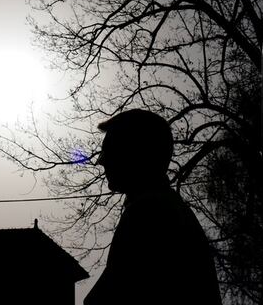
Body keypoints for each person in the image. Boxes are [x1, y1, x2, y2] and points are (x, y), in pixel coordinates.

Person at [84, 109, 222, 304]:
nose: (101, 161)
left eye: (109, 150)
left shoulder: (148, 212)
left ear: (133, 152)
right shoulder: (168, 208)